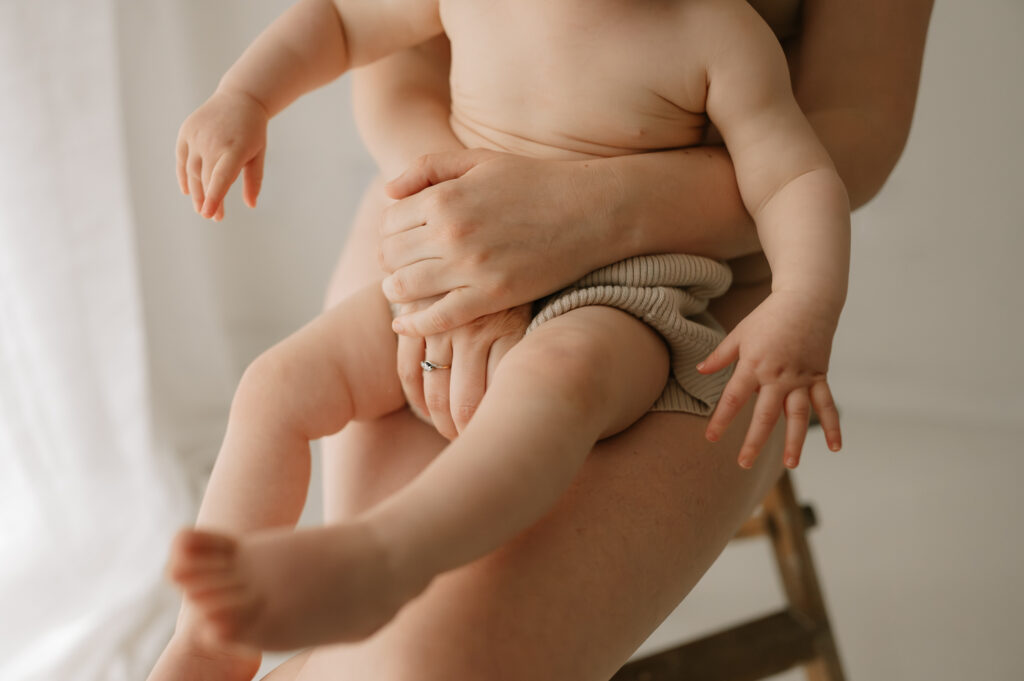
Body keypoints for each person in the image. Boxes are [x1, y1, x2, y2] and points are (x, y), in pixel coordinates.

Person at [147, 1, 933, 679]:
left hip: (627, 290)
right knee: (275, 384)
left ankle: (394, 553)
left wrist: (805, 303)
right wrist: (241, 96)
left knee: (554, 387)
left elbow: (796, 179)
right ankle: (208, 645)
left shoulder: (715, 33)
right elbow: (342, 21)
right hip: (455, 240)